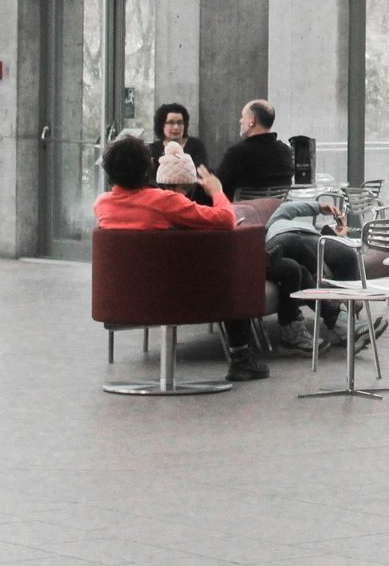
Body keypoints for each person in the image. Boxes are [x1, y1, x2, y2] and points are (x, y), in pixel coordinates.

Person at [92, 134, 282, 382]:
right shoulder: (164, 202)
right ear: (147, 169)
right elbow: (226, 220)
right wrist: (217, 192)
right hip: (176, 296)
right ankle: (240, 359)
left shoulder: (102, 205)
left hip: (124, 298)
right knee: (231, 271)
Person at [262, 195, 386, 352]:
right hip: (283, 240)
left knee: (347, 256)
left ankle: (344, 325)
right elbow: (287, 208)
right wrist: (318, 207)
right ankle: (345, 325)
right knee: (297, 248)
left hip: (317, 239)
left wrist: (338, 231)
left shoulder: (314, 231)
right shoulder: (274, 225)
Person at [215, 99, 295, 198]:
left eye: (243, 116)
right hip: (276, 212)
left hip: (241, 212)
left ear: (251, 121)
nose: (240, 121)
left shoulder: (237, 153)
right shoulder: (285, 152)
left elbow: (217, 187)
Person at [147, 103, 210, 185]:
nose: (176, 127)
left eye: (180, 123)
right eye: (171, 123)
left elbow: (201, 172)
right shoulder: (153, 149)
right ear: (161, 125)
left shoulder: (196, 145)